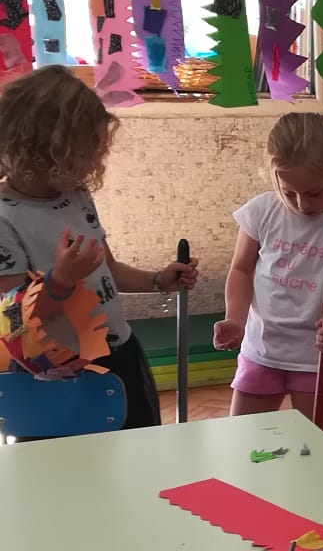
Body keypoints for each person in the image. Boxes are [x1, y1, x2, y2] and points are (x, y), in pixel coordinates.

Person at [0, 65, 197, 427]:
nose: (96, 160)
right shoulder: (4, 217)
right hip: (56, 376)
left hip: (117, 352)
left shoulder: (75, 196)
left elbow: (109, 271)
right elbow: (11, 318)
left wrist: (158, 279)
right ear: (46, 149)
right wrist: (60, 281)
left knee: (138, 449)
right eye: (87, 150)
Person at [213, 112, 323, 429]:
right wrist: (235, 318)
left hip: (317, 359)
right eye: (289, 192)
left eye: (314, 192)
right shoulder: (262, 211)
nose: (302, 204)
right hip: (262, 351)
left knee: (309, 447)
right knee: (244, 440)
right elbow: (241, 270)